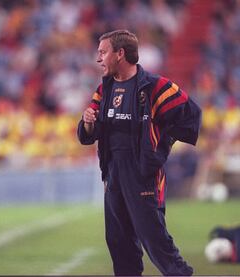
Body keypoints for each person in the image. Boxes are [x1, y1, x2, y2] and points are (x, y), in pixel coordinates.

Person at [77, 30, 201, 276]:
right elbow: (87, 134)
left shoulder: (156, 86)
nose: (98, 58)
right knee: (119, 243)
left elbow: (190, 116)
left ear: (120, 53)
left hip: (142, 175)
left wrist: (159, 149)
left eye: (103, 52)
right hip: (113, 176)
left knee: (156, 242)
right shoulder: (104, 90)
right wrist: (88, 122)